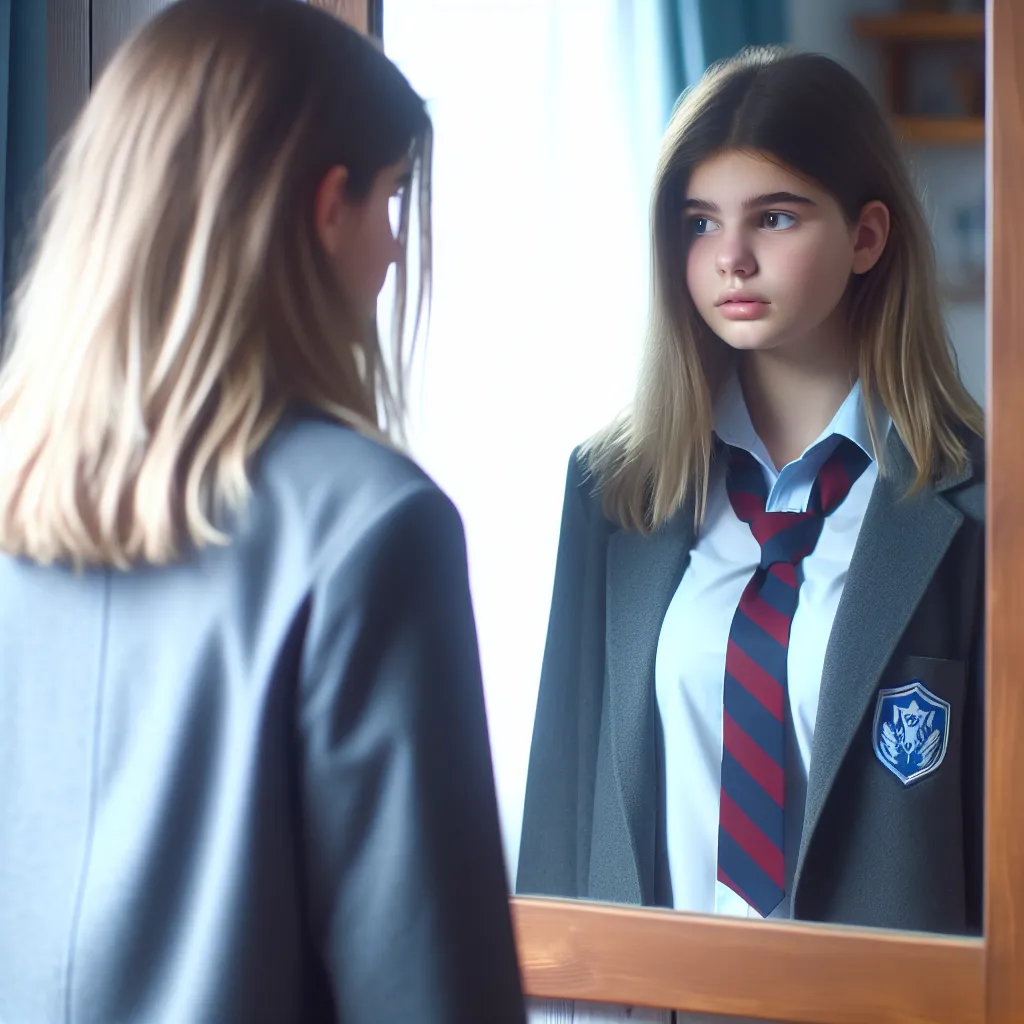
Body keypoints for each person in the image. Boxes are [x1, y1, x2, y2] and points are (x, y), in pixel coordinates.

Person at [0, 2, 525, 1022]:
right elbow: (429, 989)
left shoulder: (12, 486)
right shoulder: (373, 526)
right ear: (327, 208)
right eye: (390, 201)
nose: (390, 250)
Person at [517, 46, 984, 937]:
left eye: (773, 217)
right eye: (698, 223)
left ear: (867, 236)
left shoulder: (979, 501)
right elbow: (563, 816)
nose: (729, 257)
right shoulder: (613, 489)